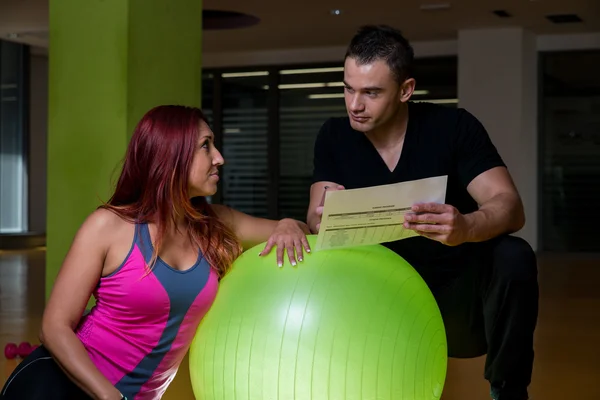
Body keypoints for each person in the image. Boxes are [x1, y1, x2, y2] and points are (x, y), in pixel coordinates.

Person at [1, 105, 311, 400]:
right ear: (171, 155)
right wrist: (110, 396)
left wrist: (288, 224)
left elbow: (304, 231)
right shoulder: (108, 226)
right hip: (64, 387)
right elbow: (53, 327)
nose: (219, 158)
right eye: (206, 145)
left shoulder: (216, 223)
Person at [306, 25, 539, 400]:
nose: (354, 105)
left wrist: (467, 225)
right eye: (348, 88)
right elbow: (316, 219)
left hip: (456, 298)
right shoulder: (334, 135)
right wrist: (324, 219)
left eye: (371, 92)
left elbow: (509, 206)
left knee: (514, 254)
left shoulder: (453, 127)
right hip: (376, 296)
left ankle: (508, 390)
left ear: (406, 90)